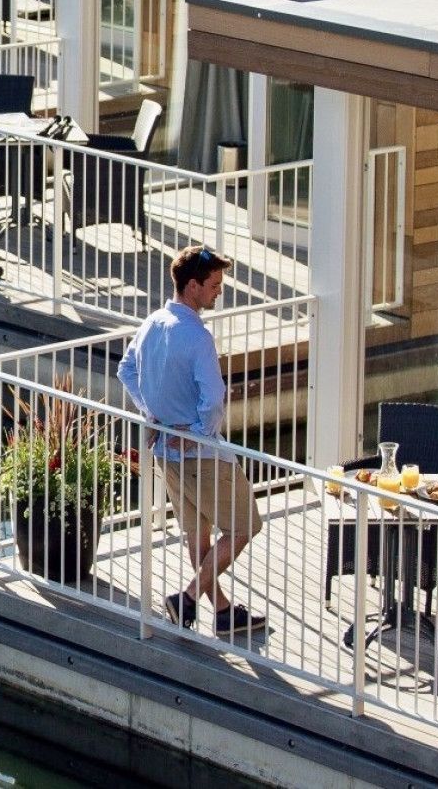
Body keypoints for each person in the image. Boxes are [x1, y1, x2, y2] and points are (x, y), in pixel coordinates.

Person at [117, 246, 269, 635]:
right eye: (214, 285)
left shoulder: (153, 322)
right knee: (245, 526)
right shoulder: (198, 337)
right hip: (202, 456)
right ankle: (186, 598)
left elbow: (126, 370)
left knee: (198, 533)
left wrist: (151, 413)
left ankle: (222, 612)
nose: (219, 292)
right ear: (192, 286)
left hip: (166, 451)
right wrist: (199, 432)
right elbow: (214, 399)